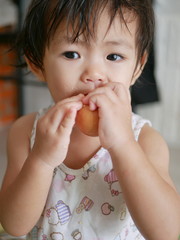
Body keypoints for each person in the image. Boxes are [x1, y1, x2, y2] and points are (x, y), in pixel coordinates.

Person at [0, 0, 179, 239]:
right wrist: (41, 160)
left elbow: (168, 231)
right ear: (37, 63)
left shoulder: (144, 140)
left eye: (114, 56)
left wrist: (124, 145)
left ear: (138, 67)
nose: (94, 74)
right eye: (72, 54)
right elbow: (14, 224)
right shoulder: (27, 132)